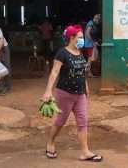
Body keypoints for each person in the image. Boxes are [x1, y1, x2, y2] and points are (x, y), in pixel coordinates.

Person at [41, 25, 103, 162]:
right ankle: (50, 142)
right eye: (80, 37)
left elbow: (81, 71)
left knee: (83, 121)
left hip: (80, 94)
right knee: (60, 121)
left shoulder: (80, 53)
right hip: (64, 93)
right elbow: (54, 72)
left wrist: (86, 85)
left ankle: (85, 152)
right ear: (71, 38)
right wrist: (48, 91)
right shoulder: (62, 53)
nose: (82, 40)